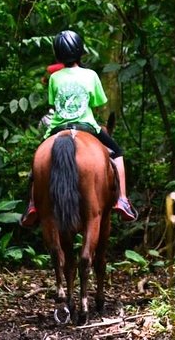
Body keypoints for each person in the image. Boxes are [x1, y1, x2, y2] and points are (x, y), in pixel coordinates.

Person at [21, 30, 138, 227]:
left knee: (37, 161)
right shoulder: (90, 75)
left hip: (59, 128)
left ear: (58, 54)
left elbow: (54, 103)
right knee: (117, 153)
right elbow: (97, 102)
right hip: (87, 126)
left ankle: (33, 204)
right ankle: (123, 200)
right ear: (80, 52)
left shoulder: (54, 78)